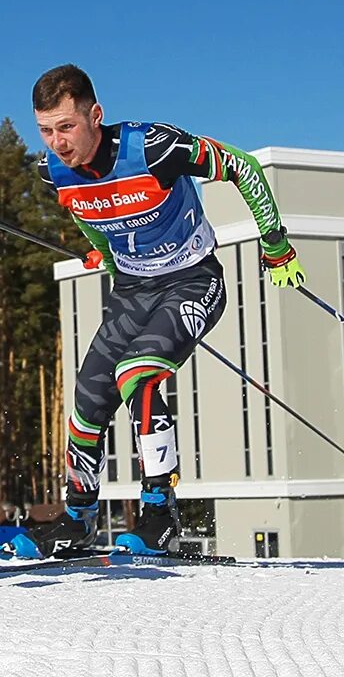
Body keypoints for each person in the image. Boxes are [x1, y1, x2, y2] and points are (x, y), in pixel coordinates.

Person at [26, 64, 305, 557]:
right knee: (89, 400)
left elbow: (244, 168)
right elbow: (88, 215)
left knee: (138, 374)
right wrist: (104, 255)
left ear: (96, 115)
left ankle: (159, 513)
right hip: (132, 291)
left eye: (66, 127)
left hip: (192, 281)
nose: (57, 143)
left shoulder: (154, 147)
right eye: (46, 130)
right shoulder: (54, 171)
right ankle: (77, 517)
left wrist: (276, 244)